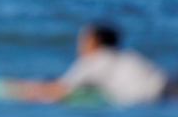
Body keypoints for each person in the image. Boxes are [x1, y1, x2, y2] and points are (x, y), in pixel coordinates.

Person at [10, 24, 173, 106]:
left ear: (94, 43)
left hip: (162, 94)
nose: (79, 45)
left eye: (84, 39)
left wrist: (22, 90)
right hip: (169, 83)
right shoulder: (126, 55)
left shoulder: (95, 59)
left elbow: (62, 90)